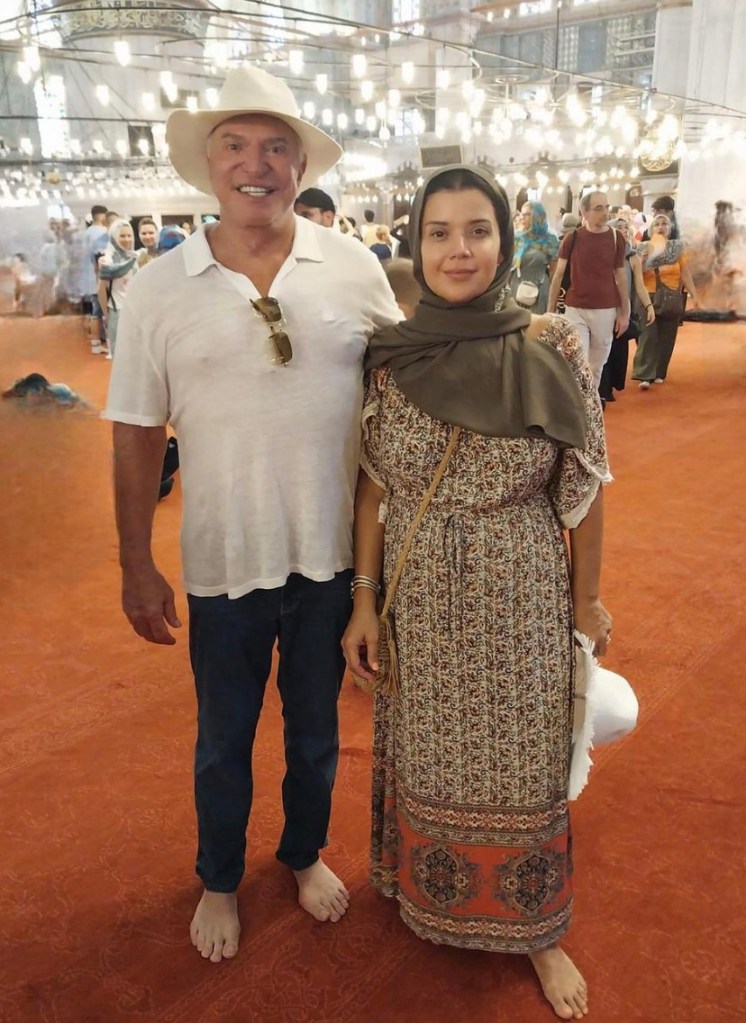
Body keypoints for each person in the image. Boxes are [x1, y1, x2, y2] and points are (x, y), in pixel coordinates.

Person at [103, 63, 402, 965]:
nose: (257, 163)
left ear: (302, 160)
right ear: (208, 162)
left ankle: (304, 852)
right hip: (222, 562)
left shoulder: (353, 268)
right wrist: (134, 562)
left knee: (317, 733)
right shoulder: (156, 289)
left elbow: (403, 391)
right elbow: (134, 433)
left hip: (330, 562)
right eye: (236, 143)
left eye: (277, 145)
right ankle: (220, 876)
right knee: (221, 739)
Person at [342, 165, 612, 1021]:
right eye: (439, 232)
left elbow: (587, 481)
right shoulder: (390, 355)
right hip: (420, 596)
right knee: (426, 745)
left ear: (506, 238)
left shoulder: (553, 343)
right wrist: (362, 598)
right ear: (415, 244)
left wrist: (586, 601)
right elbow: (375, 489)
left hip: (523, 583)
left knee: (528, 757)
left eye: (478, 230)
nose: (459, 250)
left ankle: (536, 926)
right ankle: (424, 888)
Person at [547, 190, 630, 389]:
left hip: (606, 309)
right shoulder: (572, 238)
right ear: (584, 212)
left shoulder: (616, 238)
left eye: (607, 207)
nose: (605, 212)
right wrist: (550, 311)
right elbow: (558, 276)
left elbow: (620, 276)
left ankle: (589, 407)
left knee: (596, 365)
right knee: (577, 361)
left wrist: (625, 312)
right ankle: (579, 410)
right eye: (598, 208)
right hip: (576, 308)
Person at [631, 213, 700, 390]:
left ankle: (659, 371)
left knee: (667, 336)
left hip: (671, 297)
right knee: (648, 335)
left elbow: (685, 273)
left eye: (665, 224)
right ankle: (645, 374)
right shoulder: (642, 248)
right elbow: (635, 274)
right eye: (657, 224)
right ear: (651, 229)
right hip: (647, 295)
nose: (661, 227)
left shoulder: (677, 249)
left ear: (670, 229)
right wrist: (643, 260)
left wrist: (694, 295)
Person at [598, 219, 656, 405]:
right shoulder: (601, 254)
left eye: (626, 228)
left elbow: (640, 286)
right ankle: (602, 390)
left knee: (618, 352)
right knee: (602, 350)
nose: (623, 231)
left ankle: (609, 386)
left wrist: (649, 306)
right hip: (602, 309)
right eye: (619, 228)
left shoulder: (633, 258)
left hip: (623, 310)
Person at [98, 219, 138, 360]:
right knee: (121, 356)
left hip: (137, 310)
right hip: (118, 310)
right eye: (122, 236)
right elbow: (101, 291)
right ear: (114, 236)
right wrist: (107, 316)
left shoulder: (135, 256)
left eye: (129, 235)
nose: (127, 239)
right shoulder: (107, 261)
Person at [511, 201, 559, 313]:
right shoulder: (516, 237)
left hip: (539, 289)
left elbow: (554, 273)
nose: (522, 217)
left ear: (538, 216)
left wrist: (552, 302)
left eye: (527, 214)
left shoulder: (549, 239)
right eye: (522, 214)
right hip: (516, 286)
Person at [82, 204, 110, 354]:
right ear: (102, 216)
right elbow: (102, 255)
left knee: (95, 309)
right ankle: (97, 342)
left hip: (89, 277)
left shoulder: (86, 233)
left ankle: (96, 341)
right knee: (100, 310)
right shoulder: (101, 233)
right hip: (99, 276)